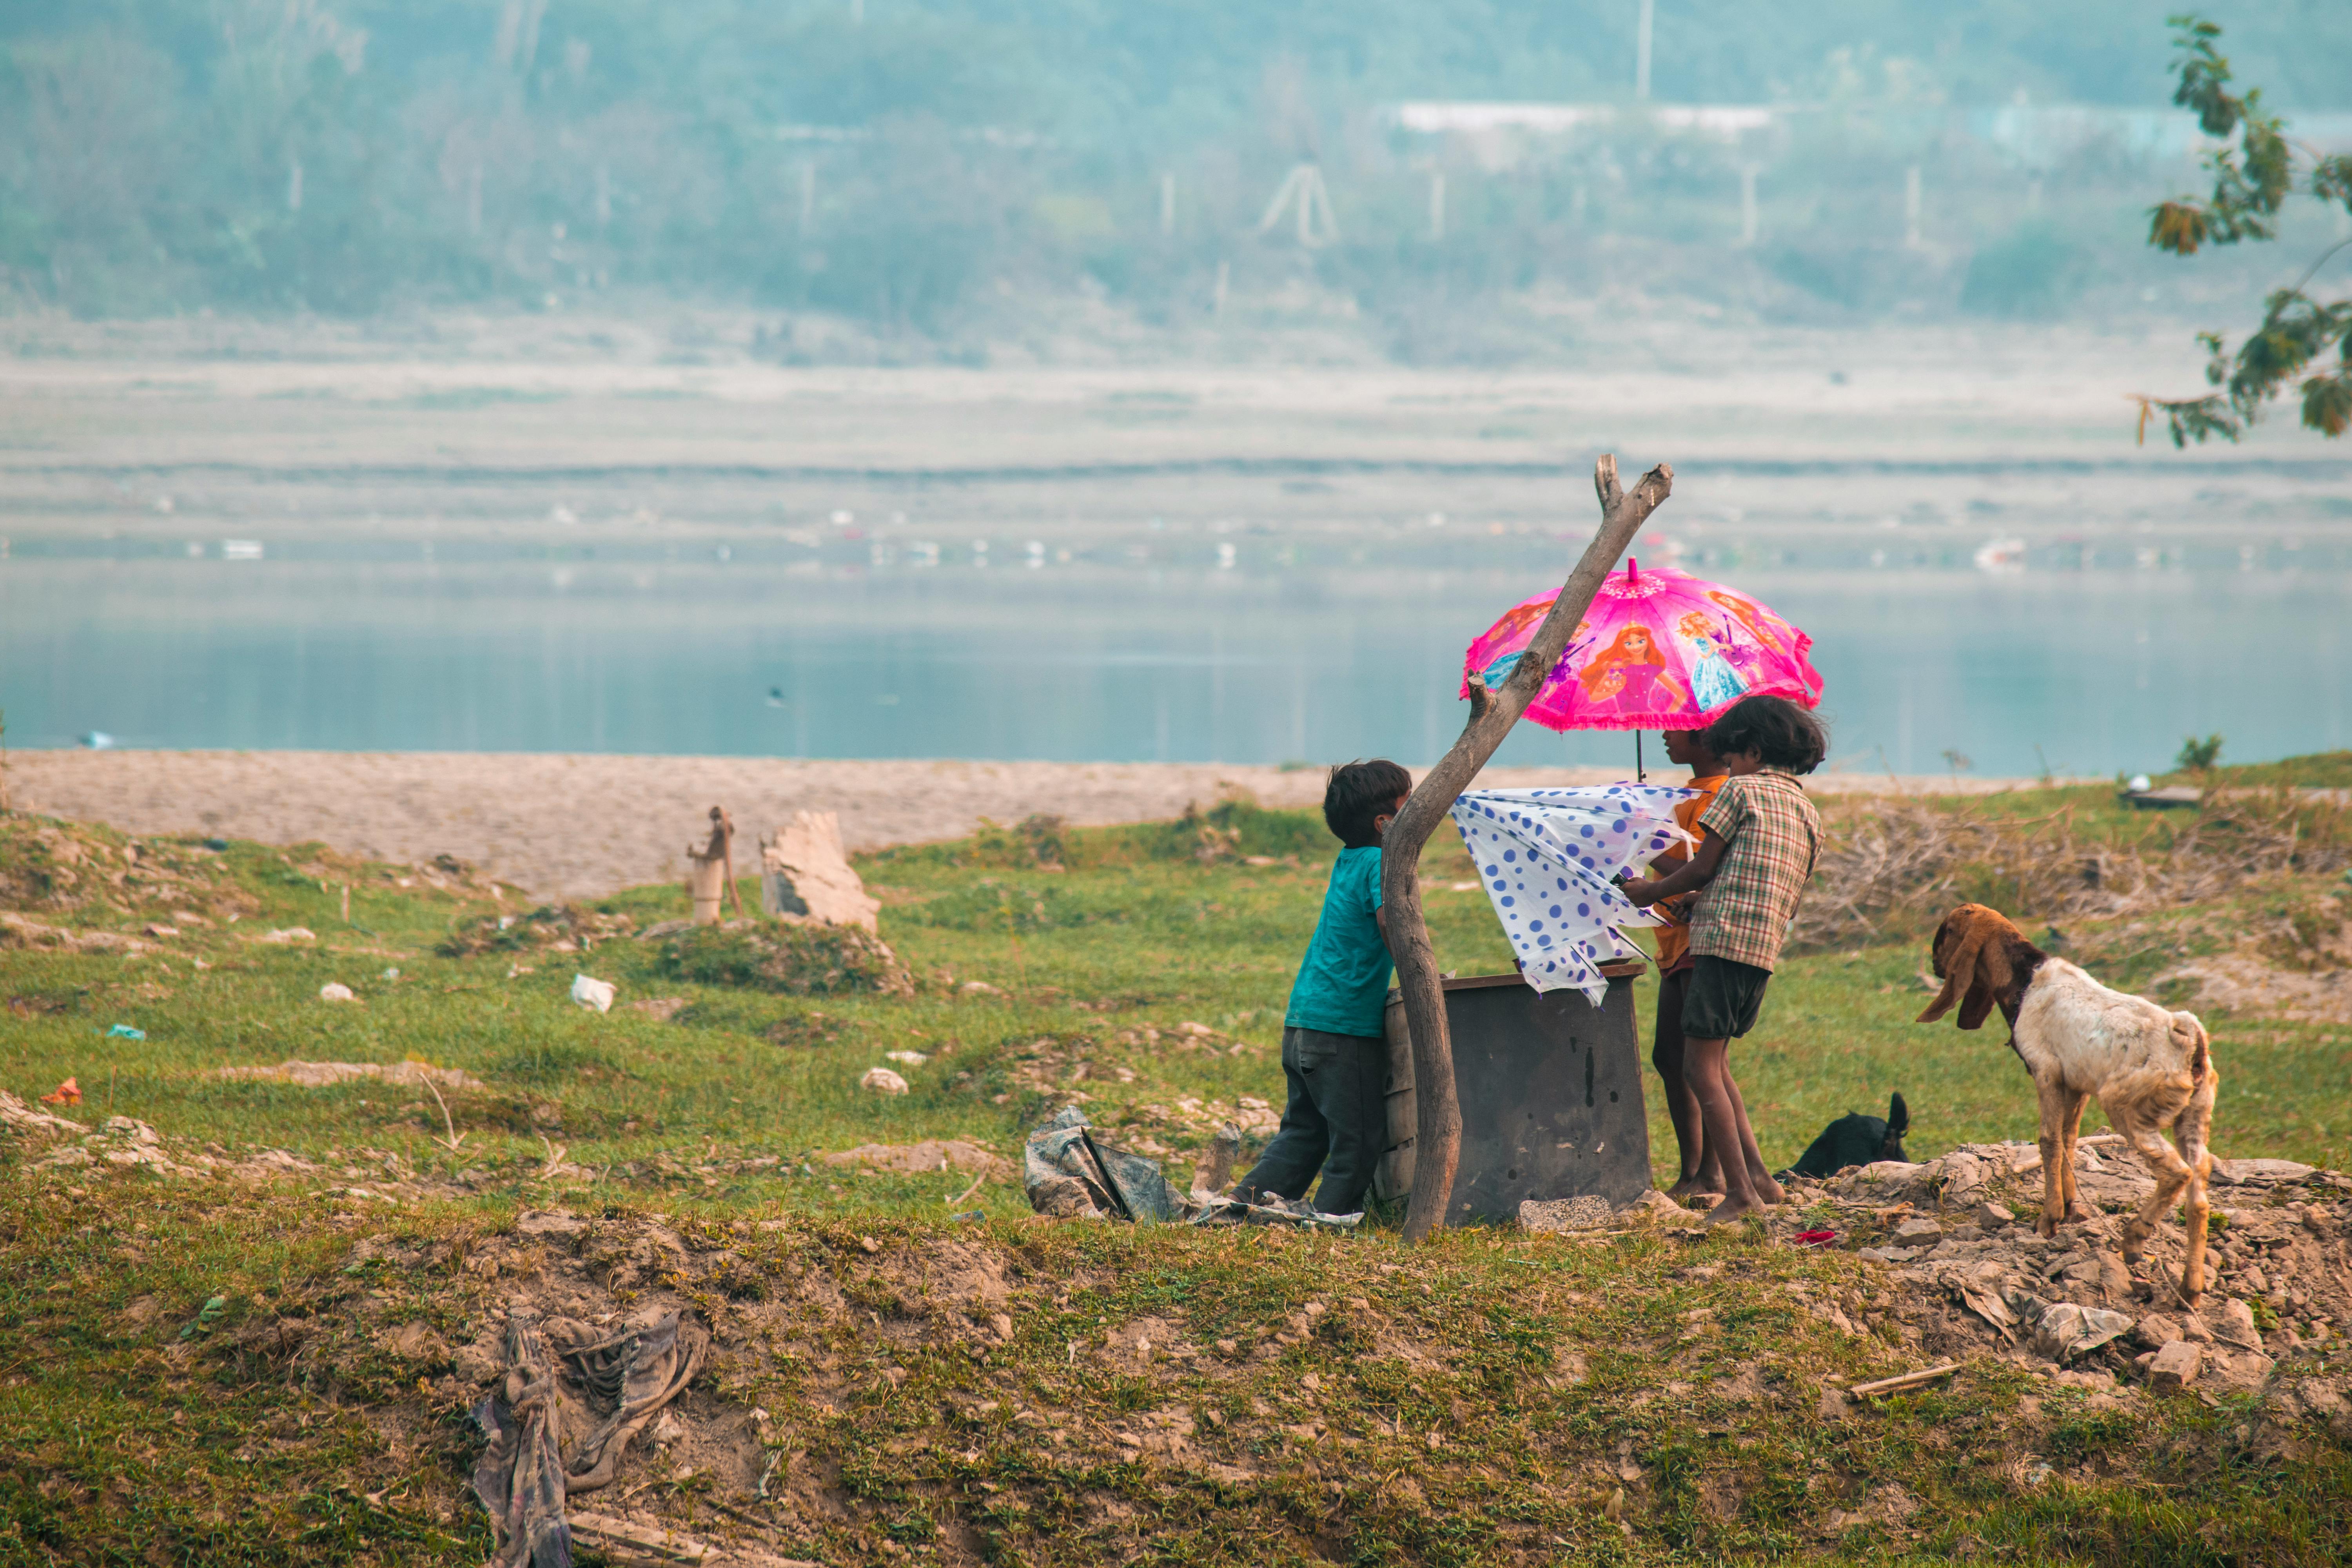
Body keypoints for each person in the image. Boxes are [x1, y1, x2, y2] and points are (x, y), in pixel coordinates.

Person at [1621, 696, 1825, 1224]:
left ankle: (1738, 1194)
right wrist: (1697, 899)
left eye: (1732, 757)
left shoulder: (1740, 791)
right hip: (1760, 949)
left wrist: (1651, 892)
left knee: (1697, 1068)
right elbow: (1775, 884)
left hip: (1718, 943)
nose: (1728, 766)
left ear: (1752, 751)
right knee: (1716, 1066)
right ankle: (1759, 1177)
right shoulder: (1806, 810)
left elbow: (1702, 869)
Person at [1234, 759, 1412, 1216]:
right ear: (1385, 823)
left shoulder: (1349, 858)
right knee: (1357, 1141)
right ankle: (1330, 1221)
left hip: (1303, 1022)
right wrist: (1420, 975)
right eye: (1409, 804)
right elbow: (1390, 920)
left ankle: (1240, 1207)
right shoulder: (1378, 860)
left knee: (1304, 1133)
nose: (1418, 811)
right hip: (1342, 1030)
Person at [1645, 726, 1733, 1201]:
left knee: (1704, 1061)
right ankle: (1694, 1170)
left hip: (1699, 938)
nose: (1664, 733)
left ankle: (1714, 1175)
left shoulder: (1720, 796)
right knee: (1669, 1056)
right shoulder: (1690, 794)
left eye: (1676, 730)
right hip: (1674, 939)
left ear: (1706, 740)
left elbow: (1699, 865)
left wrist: (1641, 843)